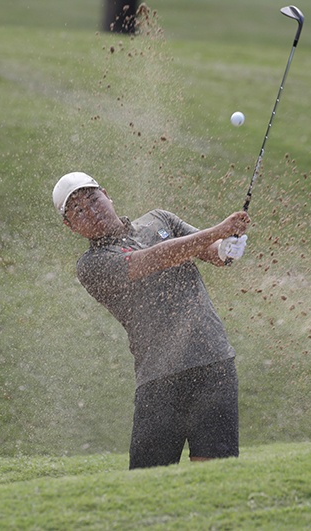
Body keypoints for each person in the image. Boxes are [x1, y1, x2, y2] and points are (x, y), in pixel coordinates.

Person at [52, 171, 250, 469]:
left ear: (107, 194)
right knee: (149, 480)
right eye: (78, 210)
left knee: (216, 473)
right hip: (159, 378)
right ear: (70, 226)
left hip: (213, 362)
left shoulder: (160, 220)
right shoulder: (92, 265)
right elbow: (153, 259)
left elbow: (211, 254)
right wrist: (217, 232)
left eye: (93, 199)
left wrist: (226, 248)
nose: (91, 211)